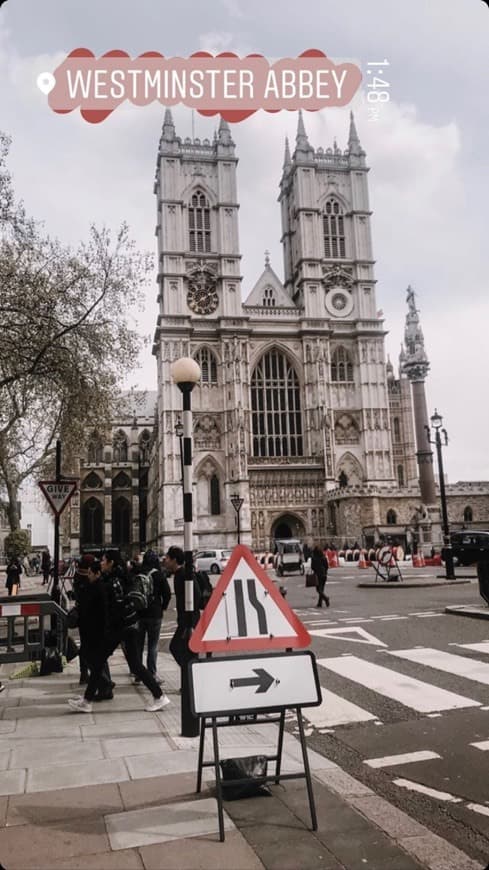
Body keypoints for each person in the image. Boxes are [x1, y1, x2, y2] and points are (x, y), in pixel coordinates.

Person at [103, 549, 170, 712]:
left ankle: (159, 695)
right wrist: (162, 608)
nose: (101, 562)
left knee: (133, 663)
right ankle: (87, 698)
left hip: (124, 626)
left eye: (103, 560)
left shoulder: (116, 579)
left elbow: (118, 604)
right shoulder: (126, 575)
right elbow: (166, 594)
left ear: (111, 562)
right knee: (139, 657)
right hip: (132, 622)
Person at [136, 550, 171, 684]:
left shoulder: (139, 572)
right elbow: (167, 593)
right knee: (153, 645)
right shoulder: (158, 574)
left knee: (138, 645)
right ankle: (151, 673)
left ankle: (139, 674)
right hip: (155, 613)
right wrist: (163, 607)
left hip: (140, 613)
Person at [164, 546, 200, 670]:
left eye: (167, 558)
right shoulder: (179, 574)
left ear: (174, 560)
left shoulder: (183, 574)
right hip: (186, 620)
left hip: (189, 621)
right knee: (187, 651)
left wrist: (190, 622)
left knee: (177, 647)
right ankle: (190, 679)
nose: (165, 560)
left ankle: (191, 676)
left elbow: (196, 594)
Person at [311, 544, 330, 608]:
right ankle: (320, 603)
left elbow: (312, 567)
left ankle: (325, 598)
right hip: (324, 574)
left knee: (318, 589)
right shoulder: (323, 557)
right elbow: (327, 566)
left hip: (318, 575)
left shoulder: (314, 558)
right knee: (322, 589)